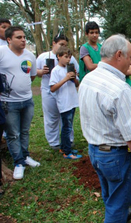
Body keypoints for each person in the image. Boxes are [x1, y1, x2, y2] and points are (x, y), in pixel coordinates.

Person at [78, 34, 131, 222]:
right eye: (130, 57)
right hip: (116, 156)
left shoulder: (88, 79)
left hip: (95, 151)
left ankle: (118, 212)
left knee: (110, 191)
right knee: (118, 203)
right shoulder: (120, 89)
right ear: (119, 55)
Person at [0, 26, 40, 180]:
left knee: (24, 131)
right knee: (12, 134)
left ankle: (25, 156)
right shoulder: (2, 52)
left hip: (27, 100)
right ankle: (18, 163)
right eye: (18, 37)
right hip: (8, 102)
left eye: (24, 37)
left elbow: (32, 76)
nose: (23, 40)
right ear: (9, 39)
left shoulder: (30, 55)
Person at [36, 34, 79, 150]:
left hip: (67, 93)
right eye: (61, 45)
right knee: (52, 116)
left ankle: (68, 141)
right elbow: (35, 72)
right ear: (53, 44)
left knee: (66, 117)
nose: (63, 47)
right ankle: (54, 142)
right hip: (48, 89)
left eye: (65, 45)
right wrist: (41, 71)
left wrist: (73, 75)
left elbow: (77, 75)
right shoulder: (43, 56)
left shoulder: (70, 59)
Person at [49, 46, 82, 160]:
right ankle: (67, 152)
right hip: (64, 103)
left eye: (70, 57)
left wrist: (74, 78)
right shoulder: (55, 71)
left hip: (72, 101)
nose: (68, 59)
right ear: (58, 57)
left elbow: (77, 84)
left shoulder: (70, 68)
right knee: (66, 127)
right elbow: (52, 88)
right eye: (66, 57)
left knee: (68, 126)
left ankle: (64, 147)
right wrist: (65, 79)